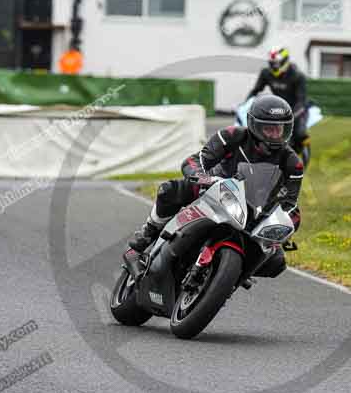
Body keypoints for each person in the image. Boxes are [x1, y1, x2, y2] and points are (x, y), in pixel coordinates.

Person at [129, 94, 304, 278]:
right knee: (170, 190)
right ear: (255, 126)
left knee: (277, 261)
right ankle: (148, 232)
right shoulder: (232, 136)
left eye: (280, 129)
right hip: (214, 189)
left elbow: (290, 203)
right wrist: (201, 177)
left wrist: (282, 228)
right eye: (269, 129)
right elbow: (195, 160)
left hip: (252, 212)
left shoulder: (293, 163)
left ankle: (235, 277)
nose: (276, 135)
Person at [246, 46, 310, 162]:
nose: (274, 66)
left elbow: (301, 100)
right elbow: (256, 90)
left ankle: (305, 153)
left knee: (300, 133)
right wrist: (246, 103)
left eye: (277, 63)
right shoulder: (266, 73)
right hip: (278, 108)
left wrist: (291, 116)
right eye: (272, 63)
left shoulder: (298, 76)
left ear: (285, 61)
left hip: (298, 108)